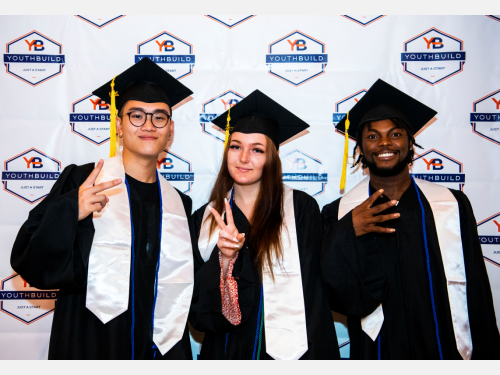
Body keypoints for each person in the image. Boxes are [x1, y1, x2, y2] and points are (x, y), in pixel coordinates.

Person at [10, 58, 195, 360]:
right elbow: (30, 262)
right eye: (136, 116)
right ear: (119, 125)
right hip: (90, 340)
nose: (148, 125)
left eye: (159, 117)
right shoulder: (82, 181)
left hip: (159, 345)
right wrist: (71, 211)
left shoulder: (180, 205)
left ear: (170, 130)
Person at [321, 79, 500, 360]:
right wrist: (346, 231)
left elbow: (476, 288)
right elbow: (333, 292)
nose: (384, 143)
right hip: (378, 348)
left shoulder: (451, 204)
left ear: (410, 142)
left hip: (443, 343)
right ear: (360, 149)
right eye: (372, 136)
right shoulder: (340, 213)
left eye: (395, 134)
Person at [188, 90, 339, 360]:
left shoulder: (301, 209)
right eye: (235, 146)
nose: (243, 158)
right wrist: (224, 261)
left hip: (294, 350)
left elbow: (316, 291)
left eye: (257, 149)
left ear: (272, 157)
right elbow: (197, 301)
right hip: (228, 347)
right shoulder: (206, 219)